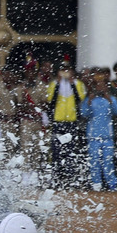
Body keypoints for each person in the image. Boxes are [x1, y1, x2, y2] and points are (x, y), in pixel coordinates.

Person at [45, 60, 86, 188]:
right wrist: (58, 81)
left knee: (70, 150)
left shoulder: (78, 84)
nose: (65, 72)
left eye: (68, 70)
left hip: (71, 121)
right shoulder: (53, 84)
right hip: (58, 121)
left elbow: (81, 98)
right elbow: (49, 99)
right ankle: (57, 178)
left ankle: (70, 179)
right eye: (63, 70)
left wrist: (72, 83)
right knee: (56, 151)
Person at [80, 74, 117, 191]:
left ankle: (112, 184)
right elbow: (84, 113)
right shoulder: (90, 100)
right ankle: (96, 185)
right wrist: (89, 101)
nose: (101, 88)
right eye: (99, 85)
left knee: (108, 161)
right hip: (93, 136)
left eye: (103, 85)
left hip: (108, 136)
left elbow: (116, 111)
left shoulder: (111, 99)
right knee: (94, 162)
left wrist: (109, 100)